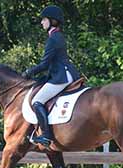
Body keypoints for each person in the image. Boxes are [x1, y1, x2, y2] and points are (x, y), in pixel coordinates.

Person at [23, 5, 81, 148]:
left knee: (37, 101)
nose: (42, 22)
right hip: (64, 73)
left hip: (61, 76)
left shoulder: (53, 39)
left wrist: (29, 72)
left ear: (52, 21)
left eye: (44, 19)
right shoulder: (57, 36)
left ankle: (46, 136)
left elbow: (44, 64)